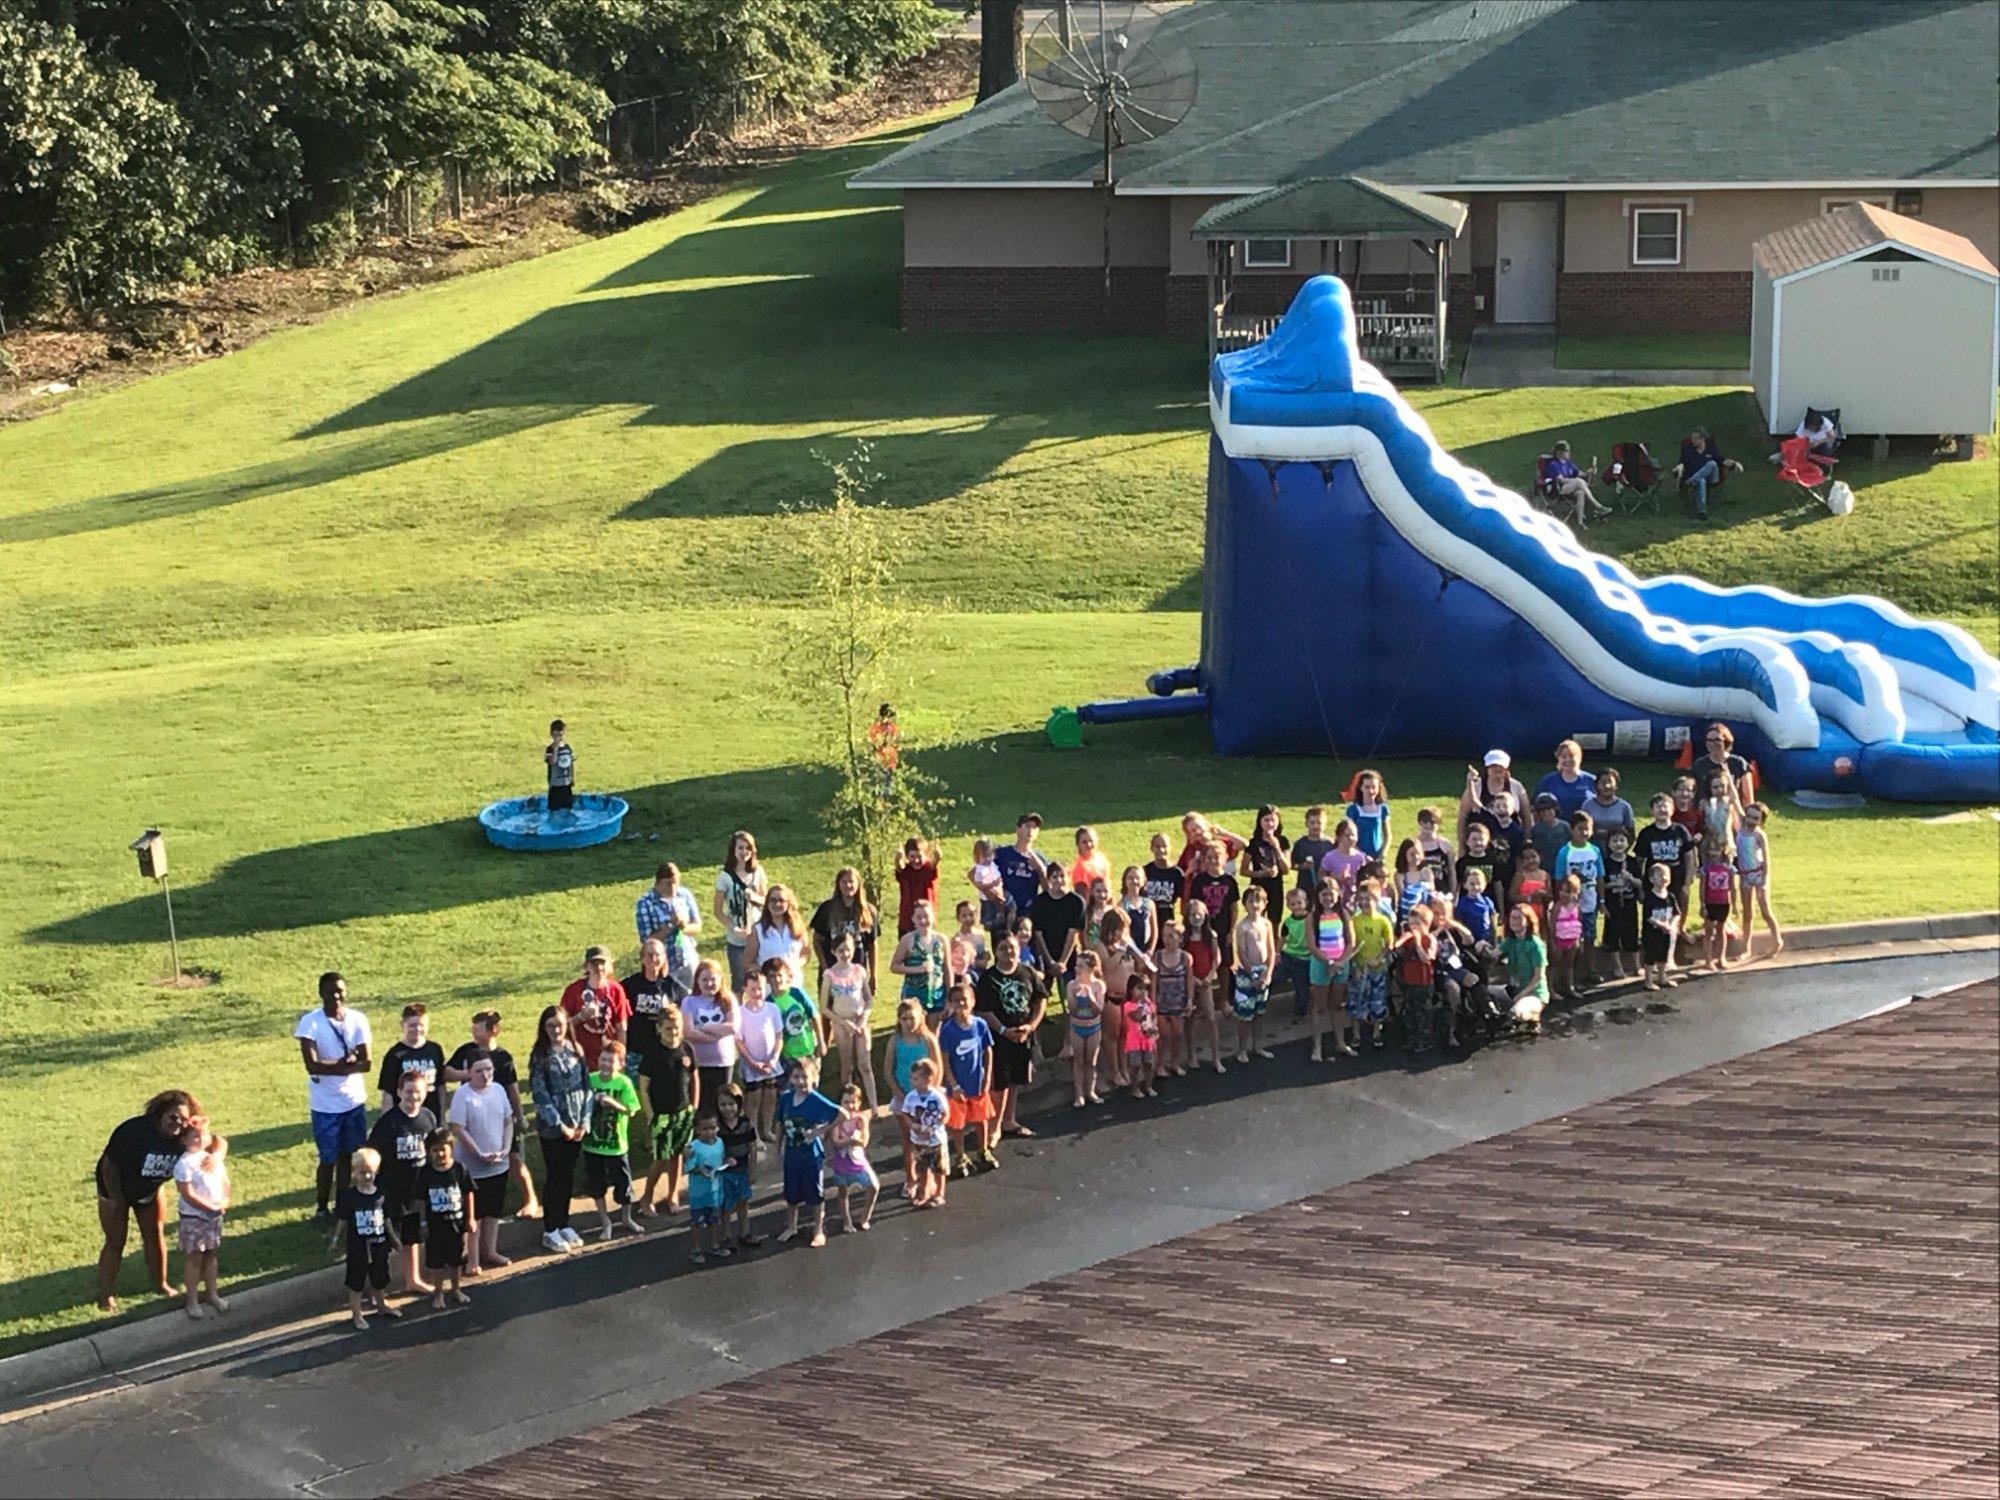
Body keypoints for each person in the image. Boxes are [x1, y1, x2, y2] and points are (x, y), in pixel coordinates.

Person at [95, 1089, 199, 1311]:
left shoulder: (187, 1137)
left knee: (154, 1235)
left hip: (149, 1189)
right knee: (116, 1241)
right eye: (173, 1117)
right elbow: (109, 1167)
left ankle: (161, 1284)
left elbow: (216, 1144)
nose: (178, 1124)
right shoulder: (134, 1131)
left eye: (184, 1119)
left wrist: (206, 1138)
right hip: (114, 1188)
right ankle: (106, 1295)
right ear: (160, 1114)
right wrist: (116, 1199)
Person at [446, 1010, 539, 1221]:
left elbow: (513, 1088)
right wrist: (468, 1075)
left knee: (514, 1158)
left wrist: (519, 1115)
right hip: (474, 1116)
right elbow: (446, 1072)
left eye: (478, 1029)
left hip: (501, 1115)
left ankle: (530, 1199)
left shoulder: (503, 1058)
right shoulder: (466, 1051)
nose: (473, 1033)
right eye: (473, 1028)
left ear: (493, 1030)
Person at [295, 972, 372, 1225]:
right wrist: (346, 1062)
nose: (336, 996)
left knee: (349, 1157)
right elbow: (312, 1065)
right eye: (330, 992)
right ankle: (321, 1206)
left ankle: (343, 1203)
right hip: (325, 1105)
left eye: (340, 991)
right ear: (321, 994)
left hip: (353, 1101)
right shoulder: (311, 1023)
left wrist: (337, 1066)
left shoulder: (358, 1019)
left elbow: (366, 1063)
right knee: (327, 1158)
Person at [528, 1005, 592, 1255]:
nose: (556, 1030)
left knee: (568, 1175)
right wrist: (560, 1125)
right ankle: (550, 1228)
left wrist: (584, 1121)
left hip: (577, 1123)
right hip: (553, 1128)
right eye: (551, 1026)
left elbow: (587, 1087)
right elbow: (540, 1094)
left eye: (560, 1025)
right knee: (556, 1175)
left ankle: (564, 1222)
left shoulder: (576, 1050)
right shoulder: (540, 1056)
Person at [366, 1070, 436, 1291]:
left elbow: (435, 1150)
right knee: (385, 1242)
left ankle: (412, 1279)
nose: (413, 1097)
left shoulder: (428, 1118)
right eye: (408, 1092)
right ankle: (377, 1289)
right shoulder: (388, 1124)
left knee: (412, 1237)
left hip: (417, 1190)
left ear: (425, 1092)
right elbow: (373, 1156)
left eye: (418, 1092)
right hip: (392, 1191)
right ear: (398, 1092)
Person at [975, 929, 1047, 1139]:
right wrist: (1004, 1030)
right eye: (1003, 948)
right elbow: (983, 1010)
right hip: (998, 1039)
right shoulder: (988, 979)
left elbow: (1040, 999)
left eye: (1012, 948)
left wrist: (1031, 1026)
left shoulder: (1027, 972)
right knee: (999, 1083)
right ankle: (994, 1127)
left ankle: (1009, 1120)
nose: (1009, 952)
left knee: (1015, 1080)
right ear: (996, 952)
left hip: (1023, 1036)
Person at [447, 1051, 513, 1275]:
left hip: (498, 1163)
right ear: (469, 1073)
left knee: (493, 1210)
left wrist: (505, 1148)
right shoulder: (463, 1096)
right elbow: (458, 1129)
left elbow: (507, 1121)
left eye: (489, 1070)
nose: (485, 1075)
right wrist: (478, 1153)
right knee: (474, 1214)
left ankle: (490, 1251)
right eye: (479, 1071)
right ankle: (472, 1259)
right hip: (472, 1167)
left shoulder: (499, 1090)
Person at [775, 1057, 844, 1247]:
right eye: (796, 1077)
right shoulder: (786, 1098)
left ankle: (818, 1229)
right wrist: (777, 1147)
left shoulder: (815, 1100)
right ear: (790, 1078)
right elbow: (781, 1123)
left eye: (805, 1077)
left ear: (814, 1078)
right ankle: (791, 1226)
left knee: (815, 1194)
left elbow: (842, 1114)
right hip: (792, 1155)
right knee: (791, 1193)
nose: (800, 1082)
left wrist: (820, 1131)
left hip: (812, 1156)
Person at [638, 1006, 697, 1218]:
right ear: (659, 1029)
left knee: (677, 1155)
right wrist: (650, 1115)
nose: (673, 1033)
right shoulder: (653, 1055)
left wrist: (694, 1107)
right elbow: (643, 1087)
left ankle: (673, 1195)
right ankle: (647, 1197)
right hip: (661, 1115)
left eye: (676, 1028)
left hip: (683, 1112)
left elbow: (694, 1078)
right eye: (668, 1029)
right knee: (660, 1158)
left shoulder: (686, 1049)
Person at [333, 1148, 401, 1330]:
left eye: (371, 1171)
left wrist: (394, 1239)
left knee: (379, 1278)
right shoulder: (350, 1197)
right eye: (362, 1172)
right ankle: (357, 1315)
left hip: (379, 1244)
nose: (367, 1176)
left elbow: (386, 1220)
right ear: (355, 1173)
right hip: (358, 1247)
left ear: (377, 1171)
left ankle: (381, 1305)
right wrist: (335, 1239)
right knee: (356, 1282)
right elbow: (343, 1219)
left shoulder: (381, 1195)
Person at [583, 1040, 642, 1240]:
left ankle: (626, 1217)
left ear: (620, 1064)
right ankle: (605, 1221)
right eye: (603, 1059)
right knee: (596, 1184)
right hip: (593, 1144)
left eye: (611, 1061)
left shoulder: (623, 1083)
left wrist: (614, 1104)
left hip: (616, 1145)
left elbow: (632, 1109)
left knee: (623, 1184)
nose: (606, 1064)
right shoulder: (590, 1080)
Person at [172, 1116, 229, 1320]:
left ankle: (212, 1294)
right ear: (184, 1140)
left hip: (214, 1215)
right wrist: (209, 1207)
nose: (200, 1138)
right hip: (194, 1217)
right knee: (194, 1259)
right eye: (194, 1136)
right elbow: (188, 1193)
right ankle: (192, 1300)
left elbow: (224, 1182)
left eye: (203, 1135)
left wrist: (224, 1201)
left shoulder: (211, 1158)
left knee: (211, 1255)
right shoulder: (184, 1164)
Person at [938, 983, 997, 1177]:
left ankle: (983, 1150)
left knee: (981, 1119)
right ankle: (961, 1155)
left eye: (965, 999)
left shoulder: (980, 1025)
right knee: (958, 1123)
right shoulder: (948, 1030)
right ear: (951, 1004)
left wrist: (987, 1077)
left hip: (977, 1082)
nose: (961, 1003)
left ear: (973, 1001)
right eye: (956, 1000)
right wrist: (953, 1084)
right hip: (958, 1086)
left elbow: (987, 1050)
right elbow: (945, 1059)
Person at [885, 1000, 942, 1192]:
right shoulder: (895, 1040)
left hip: (926, 1099)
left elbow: (937, 1068)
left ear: (921, 1018)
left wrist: (930, 1094)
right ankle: (911, 1179)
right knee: (908, 1138)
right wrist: (900, 1094)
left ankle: (930, 1178)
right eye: (904, 1019)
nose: (908, 1023)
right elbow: (887, 1071)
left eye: (912, 1018)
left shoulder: (928, 1039)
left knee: (929, 1139)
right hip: (904, 1097)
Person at [415, 1128, 473, 1310]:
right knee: (436, 1263)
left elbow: (468, 1193)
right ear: (428, 1151)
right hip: (435, 1227)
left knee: (456, 1260)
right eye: (435, 1150)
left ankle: (456, 1289)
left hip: (456, 1225)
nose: (440, 1154)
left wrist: (470, 1218)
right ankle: (438, 1293)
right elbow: (422, 1200)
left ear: (451, 1149)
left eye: (443, 1149)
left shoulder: (459, 1169)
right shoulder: (425, 1174)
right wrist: (423, 1223)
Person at [819, 929, 876, 1112]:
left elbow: (868, 999)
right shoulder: (830, 975)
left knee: (865, 1065)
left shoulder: (859, 971)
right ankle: (847, 1107)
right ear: (834, 952)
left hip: (859, 1022)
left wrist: (863, 1018)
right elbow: (824, 1007)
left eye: (848, 950)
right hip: (841, 1024)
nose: (845, 954)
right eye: (841, 950)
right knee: (847, 1067)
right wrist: (844, 1023)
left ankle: (874, 1106)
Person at [679, 960, 739, 1116]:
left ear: (720, 979)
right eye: (705, 979)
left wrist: (703, 1028)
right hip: (699, 1062)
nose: (709, 983)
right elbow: (688, 1032)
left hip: (722, 1062)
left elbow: (733, 1027)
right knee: (701, 1103)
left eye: (713, 979)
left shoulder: (728, 999)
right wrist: (717, 1035)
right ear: (697, 981)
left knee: (722, 1102)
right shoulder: (689, 1001)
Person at [622, 937, 685, 1083]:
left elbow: (684, 1016)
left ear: (664, 958)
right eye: (649, 955)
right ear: (642, 959)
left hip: (664, 1051)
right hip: (636, 1051)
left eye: (658, 955)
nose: (654, 959)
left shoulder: (673, 987)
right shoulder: (629, 986)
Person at [734, 970, 785, 1146]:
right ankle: (753, 1133)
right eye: (753, 989)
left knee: (770, 1096)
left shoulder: (772, 1009)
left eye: (761, 989)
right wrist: (752, 1062)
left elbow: (779, 1035)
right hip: (752, 1064)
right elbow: (739, 1042)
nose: (757, 993)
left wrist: (774, 1058)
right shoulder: (740, 1013)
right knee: (753, 1099)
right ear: (746, 990)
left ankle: (767, 1130)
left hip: (770, 1063)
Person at [560, 946, 630, 1073]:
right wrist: (580, 1017)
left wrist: (620, 1055)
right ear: (587, 967)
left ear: (610, 966)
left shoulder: (616, 990)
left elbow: (621, 1028)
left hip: (608, 1057)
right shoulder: (573, 990)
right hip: (580, 1056)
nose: (598, 968)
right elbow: (560, 1027)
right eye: (594, 963)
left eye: (602, 963)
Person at [713, 830, 768, 991]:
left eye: (748, 848)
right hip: (736, 940)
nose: (744, 852)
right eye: (740, 848)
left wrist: (755, 898)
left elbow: (767, 901)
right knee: (738, 981)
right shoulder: (725, 877)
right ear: (733, 850)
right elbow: (717, 911)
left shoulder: (758, 872)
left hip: (757, 936)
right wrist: (733, 928)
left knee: (760, 979)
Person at [1553, 811, 1603, 985]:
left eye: (1587, 829)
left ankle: (1590, 970)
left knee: (1589, 938)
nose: (1584, 833)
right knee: (1571, 940)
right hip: (1571, 906)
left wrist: (1601, 900)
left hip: (1590, 901)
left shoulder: (1594, 850)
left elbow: (1599, 876)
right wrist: (1562, 900)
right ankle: (1569, 976)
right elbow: (1559, 878)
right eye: (1580, 829)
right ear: (1572, 830)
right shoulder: (1565, 852)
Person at [1307, 882, 1353, 1064]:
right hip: (1321, 965)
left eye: (1331, 894)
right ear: (1318, 896)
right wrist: (1329, 962)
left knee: (1338, 1005)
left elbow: (1350, 942)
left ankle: (1340, 1042)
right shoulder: (1312, 917)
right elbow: (1312, 946)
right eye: (1324, 894)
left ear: (1338, 894)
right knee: (1319, 1006)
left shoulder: (1344, 914)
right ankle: (1317, 1046)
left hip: (1341, 965)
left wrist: (1339, 963)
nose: (1328, 898)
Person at [1229, 886, 1277, 1063]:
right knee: (1245, 1014)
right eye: (1250, 901)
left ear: (1265, 903)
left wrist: (1269, 972)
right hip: (1247, 974)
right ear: (1244, 904)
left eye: (1258, 900)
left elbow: (1271, 949)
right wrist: (1252, 974)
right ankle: (1242, 1049)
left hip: (1263, 971)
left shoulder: (1267, 924)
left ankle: (1258, 1046)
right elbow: (1241, 952)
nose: (1254, 904)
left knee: (1260, 1012)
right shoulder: (1242, 927)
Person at [897, 1058, 951, 1210]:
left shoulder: (937, 1096)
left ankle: (939, 1194)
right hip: (918, 1140)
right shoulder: (911, 1097)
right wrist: (912, 1126)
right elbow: (905, 1114)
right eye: (911, 1078)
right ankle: (924, 1192)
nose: (912, 1081)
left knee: (939, 1168)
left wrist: (934, 1127)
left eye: (916, 1078)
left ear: (928, 1079)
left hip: (935, 1140)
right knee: (922, 1167)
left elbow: (945, 1114)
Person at [634, 862, 702, 982]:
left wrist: (684, 927)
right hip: (664, 964)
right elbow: (646, 940)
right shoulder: (646, 903)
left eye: (675, 883)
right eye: (668, 884)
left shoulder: (684, 895)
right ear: (658, 883)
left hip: (687, 960)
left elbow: (697, 926)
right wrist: (670, 926)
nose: (673, 888)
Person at [1347, 878, 1395, 1049]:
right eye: (1362, 899)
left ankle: (1376, 1032)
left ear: (1378, 899)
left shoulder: (1383, 921)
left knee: (1377, 1002)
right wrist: (1353, 967)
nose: (1365, 902)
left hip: (1377, 969)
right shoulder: (1354, 921)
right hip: (1359, 970)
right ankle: (1356, 1034)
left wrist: (1380, 958)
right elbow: (1350, 946)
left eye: (1369, 899)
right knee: (1355, 1002)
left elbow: (1389, 944)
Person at [811, 866, 878, 985]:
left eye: (851, 881)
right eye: (844, 882)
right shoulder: (827, 909)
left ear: (858, 884)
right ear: (838, 884)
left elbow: (872, 944)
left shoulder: (868, 911)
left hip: (857, 972)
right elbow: (817, 940)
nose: (848, 886)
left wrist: (873, 975)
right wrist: (825, 966)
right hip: (833, 971)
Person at [890, 898, 950, 1031]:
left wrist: (949, 997)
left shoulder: (942, 940)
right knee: (916, 1032)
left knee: (933, 1034)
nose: (923, 920)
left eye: (926, 916)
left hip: (937, 994)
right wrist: (917, 969)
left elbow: (947, 969)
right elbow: (894, 966)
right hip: (914, 994)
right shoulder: (907, 940)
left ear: (933, 917)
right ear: (913, 919)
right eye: (919, 917)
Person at [714, 1088, 763, 1251]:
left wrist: (753, 1170)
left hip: (742, 1170)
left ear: (738, 1104)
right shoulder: (717, 1127)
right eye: (723, 1104)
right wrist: (723, 1160)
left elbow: (752, 1147)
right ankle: (725, 1235)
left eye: (731, 1104)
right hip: (725, 1172)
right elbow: (713, 1149)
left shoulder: (745, 1124)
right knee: (726, 1205)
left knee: (743, 1202)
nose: (727, 1108)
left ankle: (745, 1232)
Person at [1182, 898, 1227, 1075]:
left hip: (1207, 981)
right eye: (1193, 914)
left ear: (1205, 915)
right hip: (1190, 981)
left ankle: (1216, 1058)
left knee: (1211, 1018)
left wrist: (1209, 976)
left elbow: (1217, 958)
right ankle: (1191, 1055)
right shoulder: (1184, 936)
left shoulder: (1211, 935)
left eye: (1199, 914)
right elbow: (1183, 961)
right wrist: (1192, 978)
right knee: (1190, 1019)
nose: (1196, 918)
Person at [375, 1002, 445, 1115]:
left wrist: (442, 1118)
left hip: (431, 1114)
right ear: (403, 1025)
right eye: (412, 1025)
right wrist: (388, 1121)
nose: (417, 1029)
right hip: (404, 1116)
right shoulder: (395, 1054)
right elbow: (388, 1092)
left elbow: (440, 1086)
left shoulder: (435, 1050)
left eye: (421, 1025)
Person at [827, 1084, 880, 1233]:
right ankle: (846, 1221)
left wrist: (848, 1140)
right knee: (843, 1192)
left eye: (853, 1101)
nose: (850, 1105)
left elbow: (864, 1141)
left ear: (859, 1102)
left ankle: (864, 1217)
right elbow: (836, 1142)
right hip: (842, 1162)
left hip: (858, 1160)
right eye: (846, 1102)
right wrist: (852, 1139)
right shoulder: (837, 1120)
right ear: (840, 1103)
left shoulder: (862, 1119)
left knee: (874, 1186)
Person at [1027, 864, 1087, 994]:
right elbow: (1038, 934)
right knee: (1040, 992)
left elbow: (1073, 934)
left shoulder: (1077, 902)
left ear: (1068, 878)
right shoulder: (1039, 902)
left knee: (1074, 991)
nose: (1058, 880)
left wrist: (1062, 963)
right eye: (1054, 877)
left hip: (1068, 954)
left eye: (1062, 876)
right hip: (1044, 953)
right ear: (1048, 879)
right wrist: (1049, 961)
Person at [1736, 803, 1784, 960]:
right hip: (1745, 875)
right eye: (1749, 816)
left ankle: (1777, 941)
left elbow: (1766, 859)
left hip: (1758, 874)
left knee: (1765, 911)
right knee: (1747, 913)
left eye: (1755, 818)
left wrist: (1764, 880)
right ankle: (1746, 948)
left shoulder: (1759, 835)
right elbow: (1736, 802)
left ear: (1761, 821)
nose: (1751, 820)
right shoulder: (1740, 829)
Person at [1391, 907, 1441, 1051]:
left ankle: (1425, 1041)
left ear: (1427, 924)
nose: (1414, 928)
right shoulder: (1409, 940)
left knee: (1423, 1012)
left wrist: (1418, 942)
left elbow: (1427, 958)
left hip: (1423, 982)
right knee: (1410, 1011)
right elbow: (1398, 950)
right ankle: (1412, 1038)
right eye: (1411, 924)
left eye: (1417, 924)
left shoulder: (1429, 939)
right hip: (1409, 981)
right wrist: (1402, 939)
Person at [683, 1115, 729, 1266]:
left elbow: (720, 1161)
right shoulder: (693, 1147)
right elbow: (689, 1167)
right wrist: (699, 1170)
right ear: (697, 1130)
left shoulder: (720, 1143)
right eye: (705, 1129)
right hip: (698, 1193)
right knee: (697, 1221)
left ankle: (714, 1245)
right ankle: (696, 1249)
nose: (710, 1132)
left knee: (714, 1219)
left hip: (714, 1190)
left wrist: (728, 1162)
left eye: (713, 1128)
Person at [992, 813, 1049, 936]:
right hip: (1004, 912)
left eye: (1035, 828)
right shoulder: (1002, 854)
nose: (1031, 831)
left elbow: (1048, 890)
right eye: (1027, 826)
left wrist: (1041, 870)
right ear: (1017, 829)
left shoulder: (1040, 859)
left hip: (1028, 916)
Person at [1459, 752, 1529, 845]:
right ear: (1487, 768)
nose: (1498, 769)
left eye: (1501, 766)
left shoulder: (1516, 787)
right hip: (1483, 844)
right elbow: (1464, 817)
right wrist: (1470, 783)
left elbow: (1527, 817)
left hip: (1512, 841)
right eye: (1493, 766)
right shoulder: (1477, 787)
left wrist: (1527, 840)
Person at [1600, 830, 1643, 980]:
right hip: (1613, 904)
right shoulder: (1605, 862)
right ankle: (1618, 968)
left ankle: (1637, 966)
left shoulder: (1631, 862)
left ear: (1627, 842)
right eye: (1614, 841)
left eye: (1622, 840)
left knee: (1631, 933)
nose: (1618, 844)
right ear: (1609, 843)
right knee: (1613, 935)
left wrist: (1630, 878)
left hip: (1629, 902)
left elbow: (1640, 883)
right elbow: (1600, 885)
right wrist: (1612, 884)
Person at [1066, 950, 1107, 1106]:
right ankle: (1079, 1094)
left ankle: (1090, 1091)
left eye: (1081, 966)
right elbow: (1073, 1010)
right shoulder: (1071, 985)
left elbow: (1099, 1010)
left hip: (1093, 1028)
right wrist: (1076, 996)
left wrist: (1090, 997)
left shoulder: (1098, 985)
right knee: (1078, 1061)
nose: (1077, 969)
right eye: (1076, 966)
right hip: (1077, 1027)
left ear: (1090, 968)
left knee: (1091, 1061)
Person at [1677, 427, 1741, 521]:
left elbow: (1721, 460)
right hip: (1696, 477)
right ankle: (1702, 512)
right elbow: (1681, 462)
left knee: (1712, 463)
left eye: (1695, 438)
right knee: (1701, 481)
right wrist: (1679, 467)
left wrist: (1734, 463)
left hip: (1712, 478)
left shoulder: (1710, 448)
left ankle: (1691, 481)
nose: (1692, 441)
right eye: (1692, 438)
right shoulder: (1688, 449)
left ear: (1702, 439)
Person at [1501, 906, 1550, 1028]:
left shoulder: (1535, 945)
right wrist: (1481, 946)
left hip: (1534, 993)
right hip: (1516, 989)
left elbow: (1539, 976)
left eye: (1518, 918)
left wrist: (1524, 993)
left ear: (1527, 921)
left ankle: (1532, 1017)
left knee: (1515, 1013)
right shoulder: (1510, 941)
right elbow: (1492, 955)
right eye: (1512, 918)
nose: (1514, 921)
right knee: (1487, 990)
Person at [1543, 440, 1610, 527]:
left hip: (1571, 487)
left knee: (1580, 493)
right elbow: (1561, 480)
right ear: (1559, 452)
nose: (1569, 453)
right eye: (1566, 451)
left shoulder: (1568, 463)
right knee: (1579, 481)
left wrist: (1589, 472)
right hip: (1559, 489)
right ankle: (1598, 506)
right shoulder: (1554, 465)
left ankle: (1580, 522)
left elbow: (1581, 474)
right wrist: (1576, 481)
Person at [744, 884, 806, 977]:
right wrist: (768, 971)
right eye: (773, 900)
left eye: (781, 900)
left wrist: (794, 966)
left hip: (794, 983)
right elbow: (747, 963)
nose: (777, 904)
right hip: (769, 986)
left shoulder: (797, 926)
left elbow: (805, 953)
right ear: (767, 903)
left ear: (788, 903)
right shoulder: (758, 929)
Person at [1690, 723, 1754, 810]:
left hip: (1732, 811)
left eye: (1717, 740)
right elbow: (1693, 794)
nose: (1713, 743)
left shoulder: (1739, 763)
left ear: (1726, 741)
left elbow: (1748, 797)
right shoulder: (1699, 765)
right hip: (1706, 811)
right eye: (1709, 740)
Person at [1641, 863, 1685, 991]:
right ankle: (1648, 980)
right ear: (1652, 879)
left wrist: (1672, 925)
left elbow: (1677, 913)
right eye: (1660, 875)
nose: (1664, 877)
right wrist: (1661, 925)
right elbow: (1648, 916)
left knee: (1663, 955)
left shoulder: (1670, 896)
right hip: (1652, 932)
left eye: (1666, 875)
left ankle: (1662, 977)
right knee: (1651, 955)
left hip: (1666, 932)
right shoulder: (1650, 897)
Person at [1698, 832, 1736, 972]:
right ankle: (1708, 959)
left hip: (1724, 902)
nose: (1714, 853)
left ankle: (1721, 957)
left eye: (1717, 849)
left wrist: (1735, 905)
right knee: (1708, 931)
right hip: (1709, 902)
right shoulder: (1705, 869)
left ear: (1723, 850)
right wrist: (1702, 905)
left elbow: (1733, 887)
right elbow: (1702, 888)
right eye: (1711, 850)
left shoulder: (1728, 868)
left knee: (1721, 930)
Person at [888, 838, 938, 941]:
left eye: (919, 856)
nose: (916, 860)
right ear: (907, 857)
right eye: (912, 857)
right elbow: (899, 867)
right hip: (907, 921)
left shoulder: (928, 869)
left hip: (925, 920)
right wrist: (898, 858)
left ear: (926, 855)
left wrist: (937, 855)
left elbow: (935, 862)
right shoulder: (905, 871)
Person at [1277, 886, 1315, 1019]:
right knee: (1277, 978)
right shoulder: (1288, 922)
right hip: (1289, 955)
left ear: (1306, 903)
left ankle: (1300, 1013)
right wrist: (1277, 954)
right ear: (1288, 906)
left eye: (1299, 903)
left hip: (1306, 958)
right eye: (1293, 904)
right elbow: (1282, 940)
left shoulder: (1311, 919)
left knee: (1302, 987)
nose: (1297, 906)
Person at [1535, 740, 1597, 819]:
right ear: (1558, 759)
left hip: (1585, 828)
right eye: (1563, 756)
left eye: (1572, 756)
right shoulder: (1547, 781)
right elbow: (1535, 808)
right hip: (1556, 828)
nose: (1568, 760)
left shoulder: (1592, 780)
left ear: (1580, 758)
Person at [1122, 975, 1161, 1099]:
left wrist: (1154, 1027)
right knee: (1135, 1064)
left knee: (1149, 1062)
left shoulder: (1148, 1003)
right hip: (1134, 1039)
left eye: (1145, 989)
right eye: (1139, 988)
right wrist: (1141, 1004)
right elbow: (1137, 1017)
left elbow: (1153, 1015)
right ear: (1130, 990)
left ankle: (1149, 1086)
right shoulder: (1128, 1005)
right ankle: (1135, 1088)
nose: (1143, 992)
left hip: (1147, 1038)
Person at [1547, 875, 1585, 1001]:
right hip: (1559, 939)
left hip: (1572, 939)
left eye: (1568, 891)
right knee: (1554, 964)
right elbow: (1552, 924)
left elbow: (1579, 922)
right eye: (1561, 890)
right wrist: (1552, 942)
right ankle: (1550, 989)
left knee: (1569, 964)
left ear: (1576, 892)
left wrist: (1579, 939)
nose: (1564, 894)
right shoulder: (1558, 906)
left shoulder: (1576, 906)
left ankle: (1569, 986)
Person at [1141, 832, 1186, 936]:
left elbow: (1184, 898)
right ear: (1151, 848)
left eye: (1164, 846)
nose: (1161, 850)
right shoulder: (1145, 871)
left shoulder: (1176, 873)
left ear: (1170, 848)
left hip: (1167, 917)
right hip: (1148, 918)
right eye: (1157, 846)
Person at [1317, 818, 1368, 906]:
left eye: (1354, 835)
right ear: (1339, 837)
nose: (1351, 838)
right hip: (1334, 901)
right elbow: (1321, 877)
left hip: (1355, 902)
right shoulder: (1330, 857)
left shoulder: (1361, 858)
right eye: (1347, 835)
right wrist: (1335, 878)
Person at [1344, 770, 1392, 863]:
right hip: (1357, 856)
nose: (1371, 791)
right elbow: (1347, 837)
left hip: (1377, 858)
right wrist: (1362, 855)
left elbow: (1388, 835)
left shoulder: (1383, 809)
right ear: (1361, 788)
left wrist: (1383, 853)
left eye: (1374, 787)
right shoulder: (1353, 809)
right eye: (1367, 787)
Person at [1584, 769, 1635, 856]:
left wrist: (1622, 851)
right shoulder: (1588, 806)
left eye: (1610, 782)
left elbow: (1631, 834)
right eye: (1603, 782)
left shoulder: (1624, 807)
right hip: (1593, 853)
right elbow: (1582, 830)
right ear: (1597, 786)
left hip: (1617, 853)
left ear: (1616, 785)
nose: (1607, 786)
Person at [1290, 805, 1333, 897]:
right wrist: (1302, 866)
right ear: (1306, 824)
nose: (1316, 826)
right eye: (1312, 823)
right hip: (1305, 887)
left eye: (1319, 823)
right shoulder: (1300, 844)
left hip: (1326, 888)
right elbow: (1293, 865)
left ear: (1325, 824)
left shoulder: (1330, 844)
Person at [968, 840, 1008, 936]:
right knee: (989, 911)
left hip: (998, 893)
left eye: (990, 856)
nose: (988, 859)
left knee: (999, 912)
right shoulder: (980, 870)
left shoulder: (991, 864)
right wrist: (992, 884)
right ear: (978, 857)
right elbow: (980, 885)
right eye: (984, 857)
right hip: (987, 898)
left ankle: (998, 919)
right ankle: (988, 922)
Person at [868, 703, 900, 792]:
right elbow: (874, 741)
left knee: (888, 782)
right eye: (889, 717)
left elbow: (895, 741)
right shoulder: (876, 728)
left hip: (890, 759)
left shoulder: (892, 727)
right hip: (881, 759)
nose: (890, 719)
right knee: (881, 781)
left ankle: (886, 795)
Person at [544, 718, 575, 811]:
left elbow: (571, 764)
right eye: (555, 735)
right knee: (554, 810)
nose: (558, 737)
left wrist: (572, 778)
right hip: (555, 786)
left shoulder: (567, 748)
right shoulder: (549, 749)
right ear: (551, 734)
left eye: (560, 735)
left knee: (567, 809)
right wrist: (556, 749)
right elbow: (552, 762)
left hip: (566, 784)